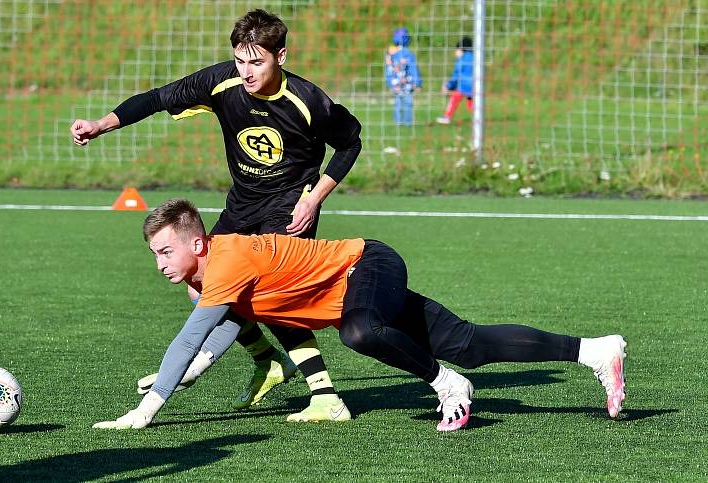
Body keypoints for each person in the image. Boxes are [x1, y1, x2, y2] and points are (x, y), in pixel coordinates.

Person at [93, 199, 627, 432]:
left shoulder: (227, 260)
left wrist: (146, 409)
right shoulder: (204, 283)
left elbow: (190, 340)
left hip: (368, 263)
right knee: (468, 343)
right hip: (360, 286)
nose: (160, 264)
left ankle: (448, 386)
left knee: (359, 331)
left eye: (167, 251)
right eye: (155, 255)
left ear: (198, 242)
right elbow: (217, 337)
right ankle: (594, 350)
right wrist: (178, 379)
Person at [71, 9, 363, 421]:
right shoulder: (221, 81)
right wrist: (102, 124)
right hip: (242, 204)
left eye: (256, 62)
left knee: (270, 296)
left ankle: (326, 397)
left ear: (281, 55)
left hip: (288, 205)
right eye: (241, 60)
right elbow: (156, 98)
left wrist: (314, 198)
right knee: (198, 287)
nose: (246, 71)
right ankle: (268, 361)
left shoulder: (309, 101)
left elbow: (351, 145)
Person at [385, 27, 422, 126]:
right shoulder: (408, 54)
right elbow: (413, 69)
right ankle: (407, 123)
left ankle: (398, 122)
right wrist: (418, 83)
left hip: (395, 84)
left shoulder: (390, 54)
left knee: (397, 103)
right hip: (407, 84)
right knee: (408, 103)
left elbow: (388, 71)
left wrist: (389, 83)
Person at [436, 36, 474, 125]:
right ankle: (477, 118)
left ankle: (447, 117)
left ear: (461, 49)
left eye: (456, 50)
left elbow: (456, 75)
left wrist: (448, 86)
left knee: (454, 100)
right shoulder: (475, 57)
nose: (455, 53)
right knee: (471, 103)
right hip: (476, 85)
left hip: (463, 86)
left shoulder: (461, 60)